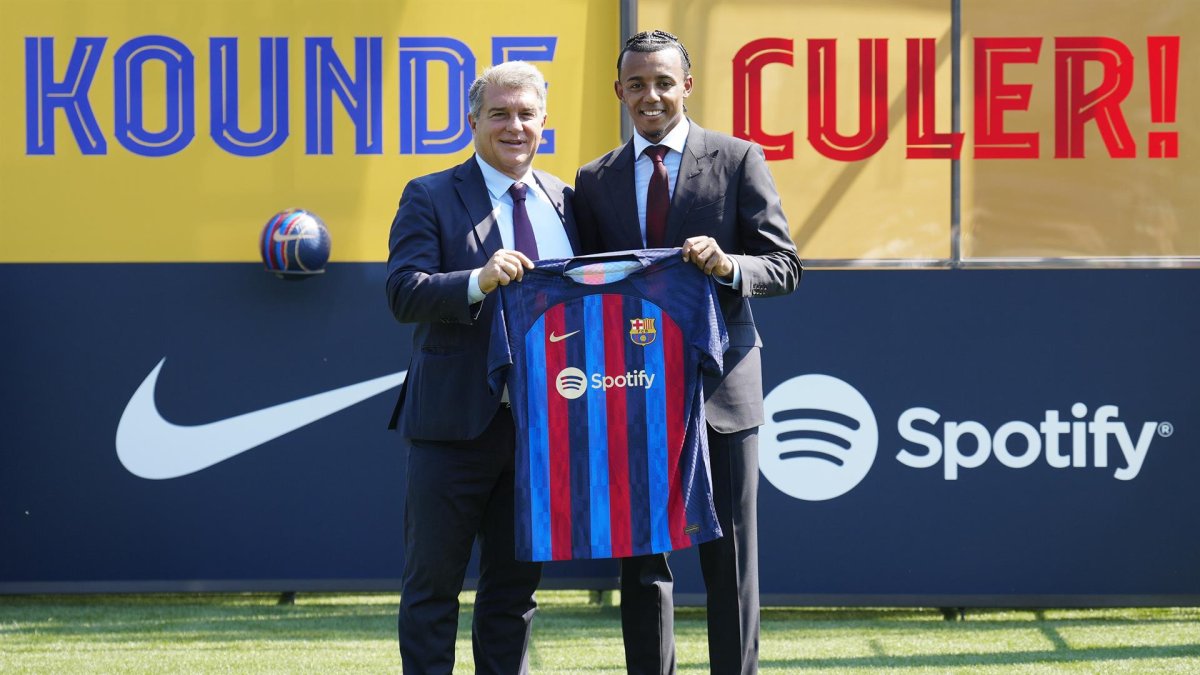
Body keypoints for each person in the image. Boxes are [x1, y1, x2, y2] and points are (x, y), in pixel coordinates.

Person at [573, 30, 801, 675]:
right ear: (619, 91)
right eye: (637, 84)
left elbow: (784, 266)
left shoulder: (737, 159)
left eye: (663, 82)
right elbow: (586, 288)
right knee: (643, 564)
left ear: (687, 87)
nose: (651, 96)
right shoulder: (593, 181)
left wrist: (728, 264)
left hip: (720, 391)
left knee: (729, 563)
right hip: (632, 390)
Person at [386, 60, 579, 674]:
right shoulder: (430, 194)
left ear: (544, 123)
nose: (514, 126)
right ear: (472, 121)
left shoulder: (568, 202)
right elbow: (403, 292)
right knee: (432, 590)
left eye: (526, 115)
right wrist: (477, 279)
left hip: (540, 429)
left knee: (514, 595)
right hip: (452, 427)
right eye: (499, 114)